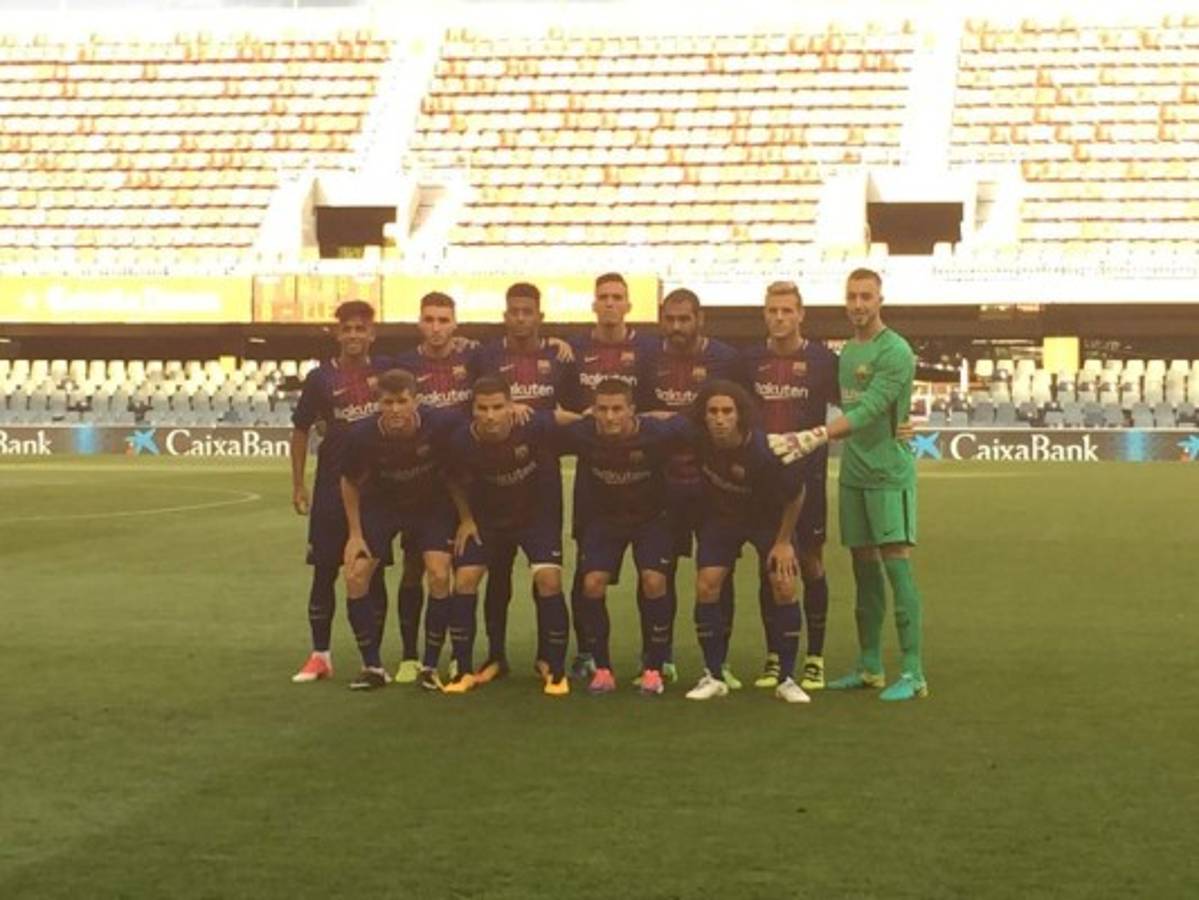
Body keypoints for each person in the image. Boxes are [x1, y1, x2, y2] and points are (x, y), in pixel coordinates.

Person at [768, 268, 928, 702]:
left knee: (897, 565)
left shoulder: (895, 350)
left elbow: (871, 407)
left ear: (880, 300)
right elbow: (844, 403)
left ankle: (913, 671)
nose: (858, 304)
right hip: (854, 472)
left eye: (866, 296)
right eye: (852, 296)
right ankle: (870, 665)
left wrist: (815, 435)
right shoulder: (847, 353)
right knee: (863, 568)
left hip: (888, 472)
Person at [558, 378, 693, 695]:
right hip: (605, 520)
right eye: (603, 409)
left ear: (632, 410)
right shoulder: (582, 433)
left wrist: (666, 415)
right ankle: (603, 669)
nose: (610, 417)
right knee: (592, 583)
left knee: (654, 581)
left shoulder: (658, 433)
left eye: (617, 409)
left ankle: (654, 668)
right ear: (593, 411)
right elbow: (547, 422)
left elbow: (693, 427)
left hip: (652, 519)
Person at [470, 282, 576, 683]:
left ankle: (549, 658)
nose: (520, 318)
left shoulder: (559, 356)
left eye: (527, 311)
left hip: (541, 479)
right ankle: (495, 656)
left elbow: (572, 408)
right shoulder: (485, 355)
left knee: (544, 573)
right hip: (493, 481)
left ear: (539, 316)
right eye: (513, 311)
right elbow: (470, 398)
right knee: (496, 573)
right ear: (504, 316)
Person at [445, 375, 577, 695]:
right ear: (473, 409)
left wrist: (595, 417)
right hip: (488, 521)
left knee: (548, 580)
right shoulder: (461, 440)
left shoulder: (532, 423)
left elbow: (568, 419)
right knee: (466, 579)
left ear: (510, 406)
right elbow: (453, 479)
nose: (490, 415)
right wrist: (466, 519)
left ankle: (552, 666)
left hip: (537, 518)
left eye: (497, 407)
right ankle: (470, 667)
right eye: (483, 408)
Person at [683, 380, 810, 704]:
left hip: (769, 521)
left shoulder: (764, 451)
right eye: (713, 411)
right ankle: (713, 675)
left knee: (784, 585)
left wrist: (784, 542)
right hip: (723, 519)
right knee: (707, 584)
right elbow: (661, 420)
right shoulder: (697, 438)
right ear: (703, 415)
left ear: (740, 415)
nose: (719, 419)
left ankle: (787, 680)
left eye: (727, 411)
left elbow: (796, 494)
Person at [741, 281, 839, 691]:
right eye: (772, 311)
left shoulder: (823, 360)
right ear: (764, 314)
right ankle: (775, 655)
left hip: (808, 476)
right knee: (769, 563)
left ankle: (814, 657)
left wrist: (898, 420)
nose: (779, 317)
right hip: (763, 478)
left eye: (787, 310)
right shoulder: (748, 360)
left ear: (801, 315)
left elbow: (854, 407)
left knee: (811, 561)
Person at [339, 369, 464, 691]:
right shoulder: (361, 434)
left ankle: (430, 666)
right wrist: (355, 535)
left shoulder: (441, 423)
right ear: (377, 403)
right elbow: (349, 482)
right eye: (388, 402)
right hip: (383, 506)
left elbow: (457, 469)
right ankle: (372, 667)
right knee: (355, 575)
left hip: (431, 507)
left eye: (402, 401)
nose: (395, 409)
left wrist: (466, 518)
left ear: (416, 401)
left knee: (439, 574)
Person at [289, 300, 390, 684]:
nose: (353, 335)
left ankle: (373, 659)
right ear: (337, 333)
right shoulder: (320, 378)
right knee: (324, 571)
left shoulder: (387, 371)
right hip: (332, 487)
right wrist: (298, 484)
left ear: (372, 334)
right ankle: (320, 656)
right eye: (347, 329)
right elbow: (301, 430)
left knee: (372, 574)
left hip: (376, 491)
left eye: (360, 328)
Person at [647, 287, 741, 687]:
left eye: (684, 319)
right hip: (662, 483)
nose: (677, 326)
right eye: (670, 319)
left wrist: (673, 420)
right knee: (658, 572)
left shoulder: (726, 359)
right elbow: (637, 414)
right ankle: (660, 659)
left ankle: (720, 661)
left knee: (717, 573)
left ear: (700, 319)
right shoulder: (648, 357)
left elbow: (737, 414)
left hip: (712, 485)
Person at [566, 272, 658, 680]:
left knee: (652, 572)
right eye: (602, 296)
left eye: (617, 297)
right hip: (594, 477)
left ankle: (654, 657)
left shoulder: (648, 349)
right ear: (593, 304)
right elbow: (560, 402)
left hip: (641, 475)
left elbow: (654, 398)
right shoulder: (571, 350)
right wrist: (583, 419)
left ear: (628, 305)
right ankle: (587, 651)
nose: (609, 303)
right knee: (587, 572)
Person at [388, 292, 476, 683]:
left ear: (455, 324)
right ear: (419, 323)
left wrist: (556, 341)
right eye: (429, 319)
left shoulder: (474, 359)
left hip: (464, 478)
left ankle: (458, 654)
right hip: (419, 482)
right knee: (414, 568)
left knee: (459, 569)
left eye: (443, 319)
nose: (436, 327)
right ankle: (410, 656)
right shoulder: (403, 363)